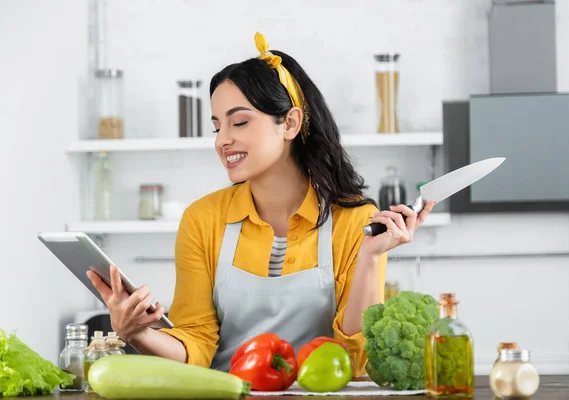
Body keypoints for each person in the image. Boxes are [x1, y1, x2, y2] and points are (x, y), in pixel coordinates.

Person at [87, 32, 434, 377]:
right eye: (217, 127)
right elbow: (196, 344)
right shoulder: (203, 220)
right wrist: (137, 332)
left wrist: (370, 257)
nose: (223, 140)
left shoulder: (354, 221)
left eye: (239, 122)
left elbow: (355, 360)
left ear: (291, 123)